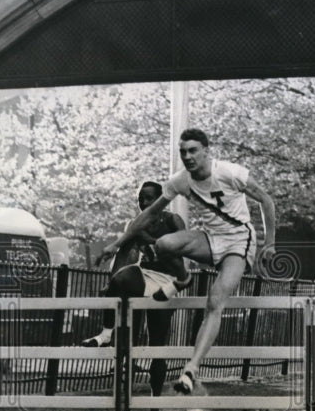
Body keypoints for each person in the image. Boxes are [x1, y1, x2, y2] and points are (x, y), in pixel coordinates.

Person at [98, 128, 276, 395]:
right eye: (183, 152)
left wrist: (270, 243)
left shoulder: (229, 172)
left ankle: (190, 371)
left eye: (193, 151)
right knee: (164, 244)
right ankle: (183, 279)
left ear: (206, 151)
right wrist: (116, 244)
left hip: (240, 242)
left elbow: (266, 200)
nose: (188, 157)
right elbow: (148, 214)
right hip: (210, 238)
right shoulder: (180, 181)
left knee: (215, 300)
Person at [87, 181, 191, 411]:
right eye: (140, 200)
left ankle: (156, 408)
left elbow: (182, 250)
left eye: (149, 199)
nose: (144, 204)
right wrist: (113, 282)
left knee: (157, 346)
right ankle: (105, 334)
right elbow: (123, 253)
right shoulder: (136, 223)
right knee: (121, 279)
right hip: (144, 275)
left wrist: (152, 240)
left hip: (168, 280)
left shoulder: (173, 220)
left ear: (160, 200)